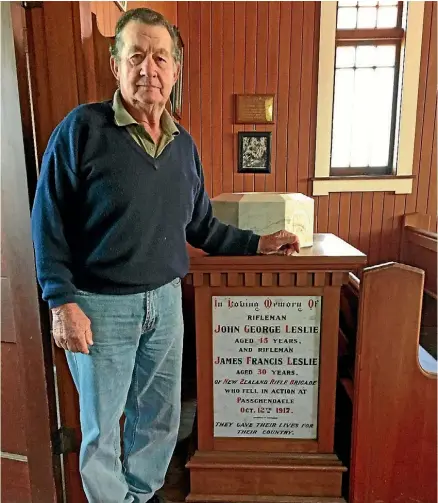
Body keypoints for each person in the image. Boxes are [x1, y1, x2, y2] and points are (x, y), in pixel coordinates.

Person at [31, 8, 300, 503]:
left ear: (175, 70)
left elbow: (200, 226)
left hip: (166, 302)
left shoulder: (184, 146)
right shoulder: (81, 130)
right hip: (98, 307)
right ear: (116, 66)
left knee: (159, 417)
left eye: (159, 57)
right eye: (135, 56)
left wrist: (256, 243)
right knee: (101, 429)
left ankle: (143, 494)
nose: (147, 69)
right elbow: (47, 223)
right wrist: (61, 302)